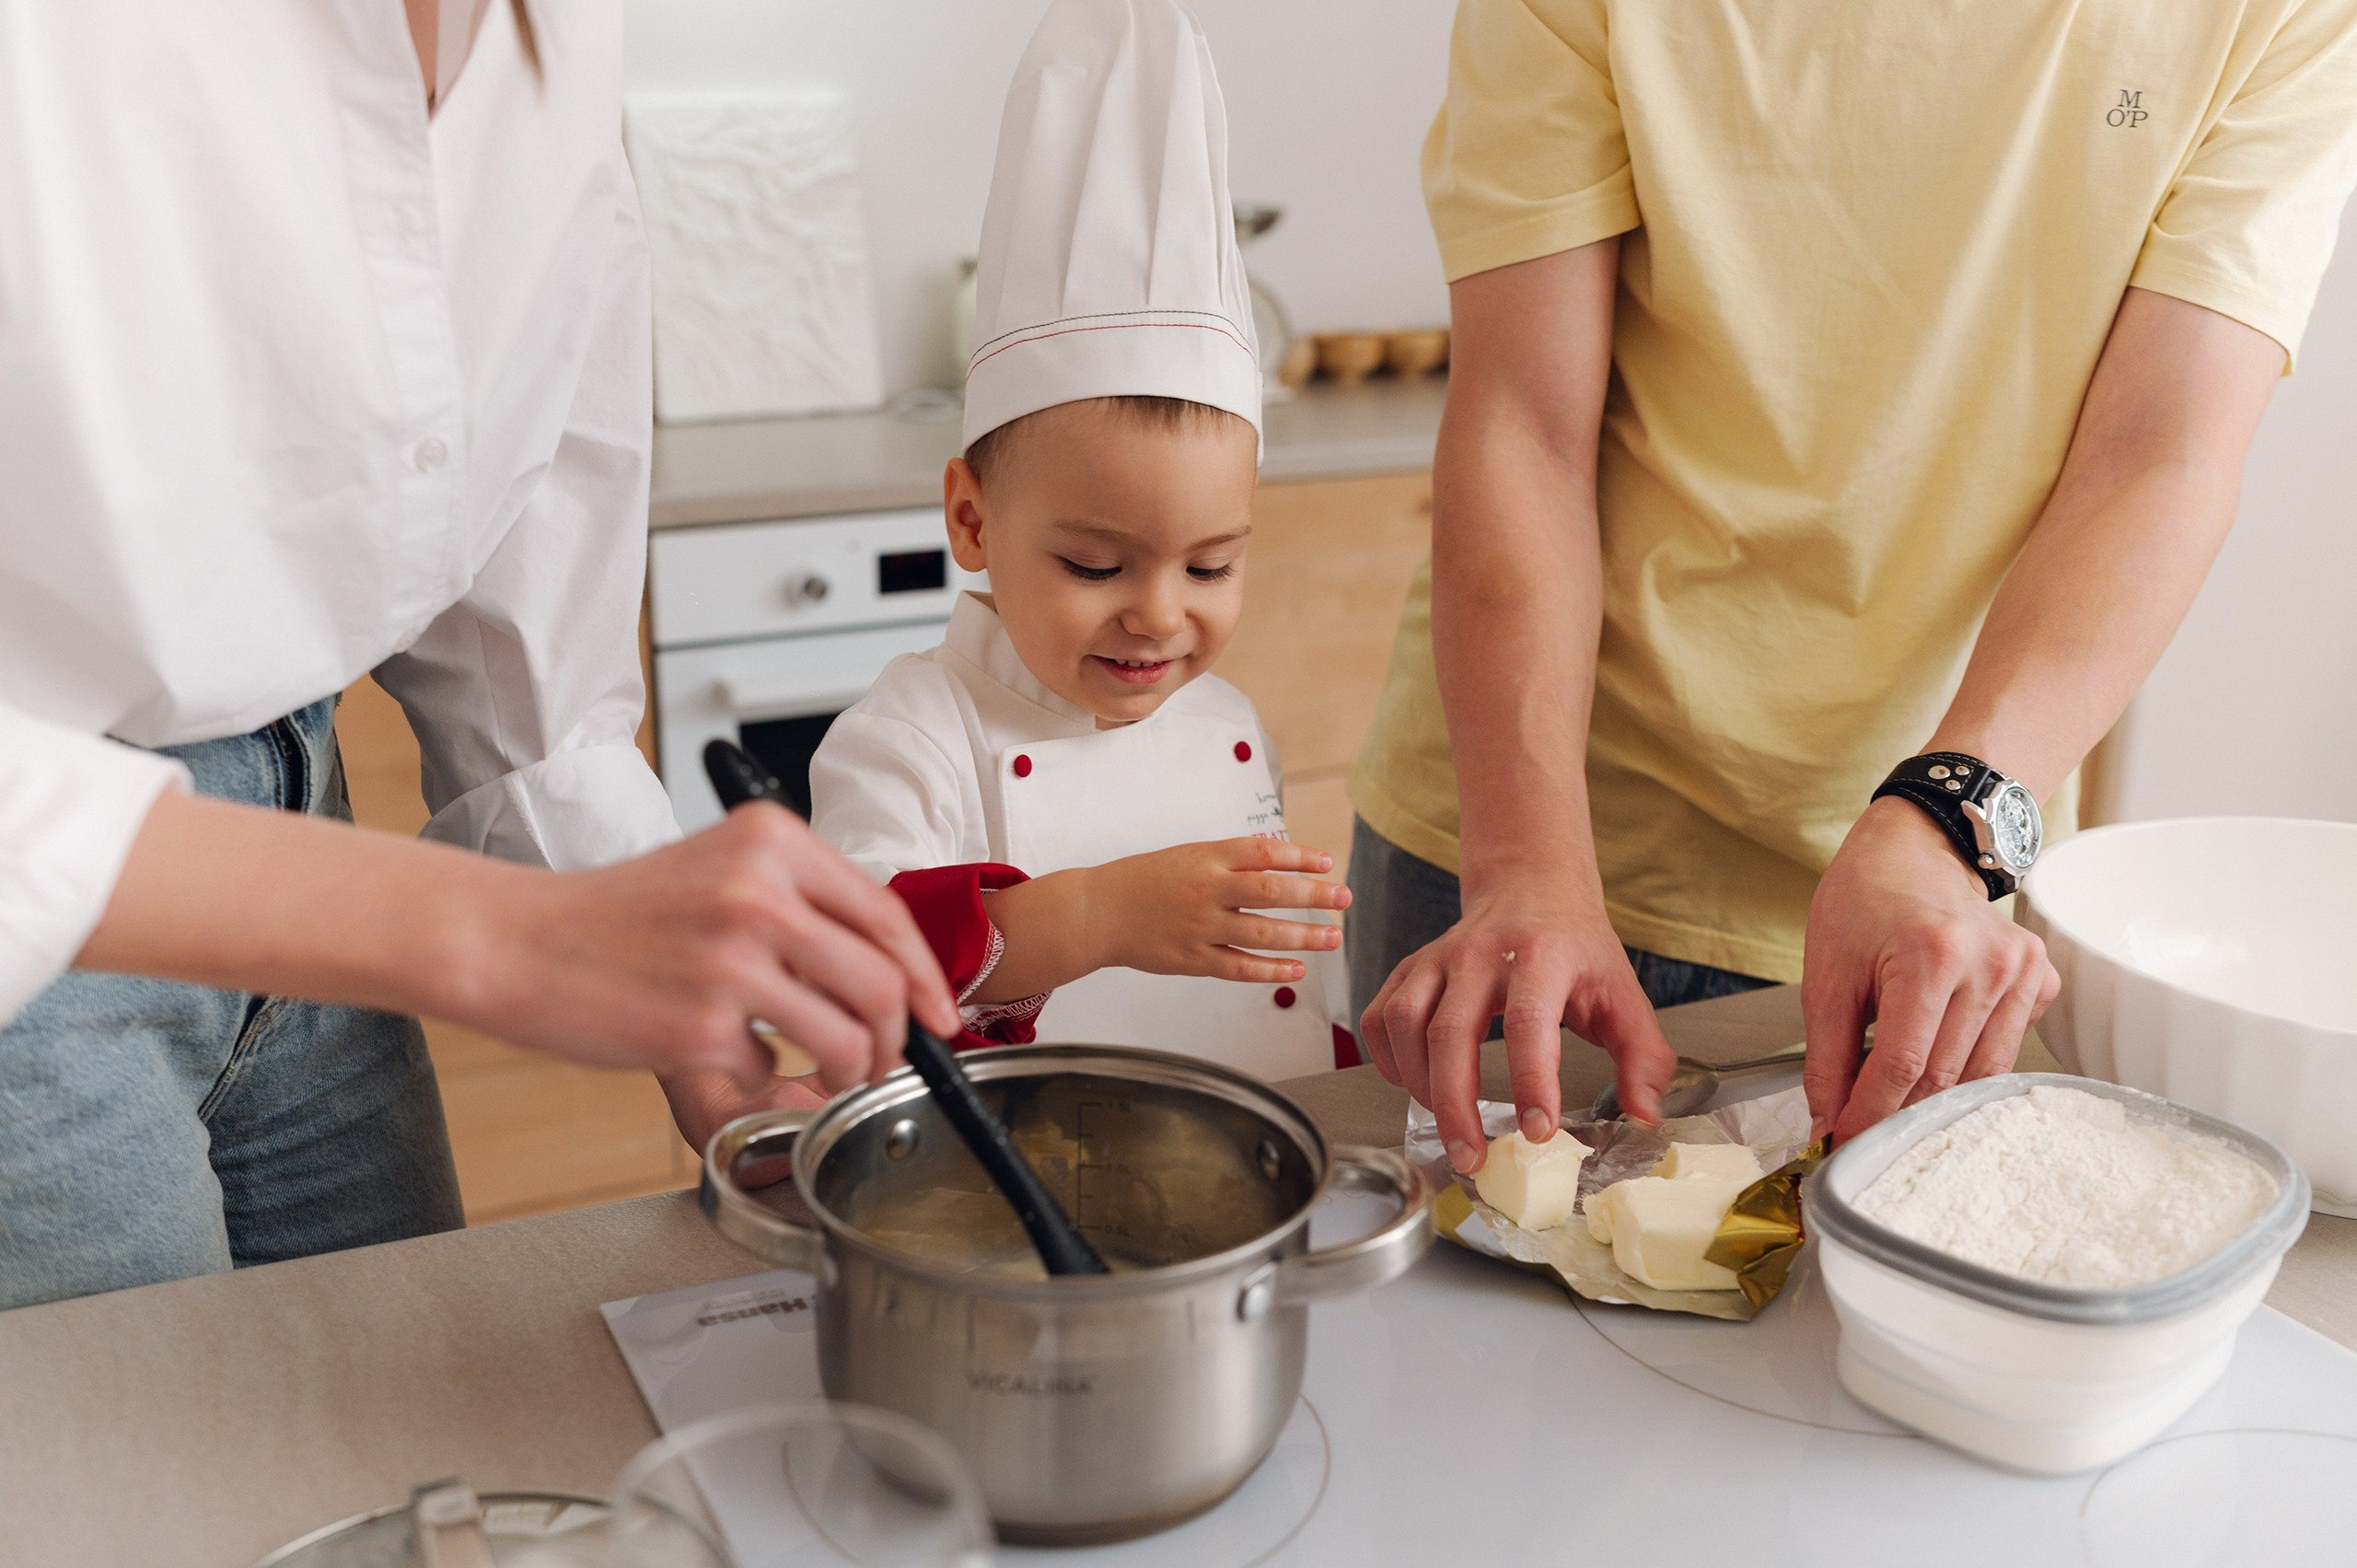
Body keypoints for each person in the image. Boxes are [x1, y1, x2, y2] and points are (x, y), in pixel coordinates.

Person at [0, 0, 956, 1312]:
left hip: (310, 854)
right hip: (35, 963)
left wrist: (672, 980)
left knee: (399, 1477)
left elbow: (518, 495)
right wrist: (500, 936)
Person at [1348, 0, 2357, 1170]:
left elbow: (2160, 458)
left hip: (1932, 881)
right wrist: (1524, 862)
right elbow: (1523, 426)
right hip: (1524, 840)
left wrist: (1943, 822)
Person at [807, 0, 1353, 1081]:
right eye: (1095, 564)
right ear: (971, 517)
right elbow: (847, 971)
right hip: (1003, 1204)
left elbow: (1270, 1009)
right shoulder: (912, 735)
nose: (1158, 612)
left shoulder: (1229, 723)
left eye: (1211, 564)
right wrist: (1096, 914)